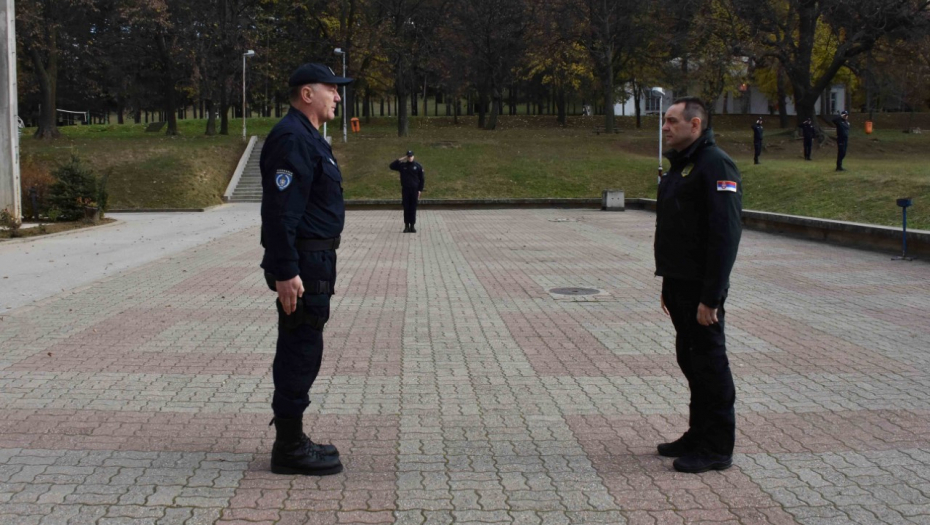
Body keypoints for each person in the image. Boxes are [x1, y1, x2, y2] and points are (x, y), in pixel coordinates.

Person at [259, 63, 353, 476]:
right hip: (302, 262)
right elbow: (280, 212)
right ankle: (289, 446)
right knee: (300, 348)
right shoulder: (292, 138)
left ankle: (291, 438)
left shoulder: (308, 137)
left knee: (304, 344)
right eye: (331, 89)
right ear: (306, 93)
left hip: (314, 259)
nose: (338, 96)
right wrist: (284, 270)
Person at [654, 96, 742, 473]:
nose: (665, 127)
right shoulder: (683, 166)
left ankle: (717, 447)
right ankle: (698, 433)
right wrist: (668, 284)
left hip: (702, 290)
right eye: (665, 121)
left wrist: (712, 296)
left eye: (672, 121)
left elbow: (725, 235)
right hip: (680, 284)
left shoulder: (715, 164)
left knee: (709, 364)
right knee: (690, 360)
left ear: (696, 125)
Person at [389, 150, 425, 233]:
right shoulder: (402, 166)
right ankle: (406, 226)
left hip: (414, 190)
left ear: (413, 156)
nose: (410, 157)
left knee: (413, 208)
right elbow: (391, 166)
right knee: (406, 208)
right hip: (405, 190)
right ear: (406, 157)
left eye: (411, 156)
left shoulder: (418, 166)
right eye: (408, 156)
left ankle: (412, 226)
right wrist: (400, 159)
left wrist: (420, 190)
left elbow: (422, 179)